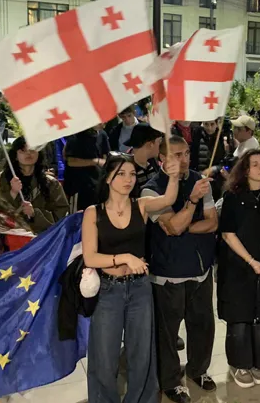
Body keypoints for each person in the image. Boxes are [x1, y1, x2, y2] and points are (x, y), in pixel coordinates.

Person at [81, 152, 180, 403]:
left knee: (142, 354)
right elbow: (90, 257)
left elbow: (169, 198)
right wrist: (125, 257)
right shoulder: (93, 212)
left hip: (139, 289)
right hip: (108, 290)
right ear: (108, 178)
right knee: (104, 358)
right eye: (121, 174)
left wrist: (173, 176)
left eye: (133, 174)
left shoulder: (141, 205)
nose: (129, 179)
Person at [141, 136, 218, 403]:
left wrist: (182, 225)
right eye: (176, 155)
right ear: (162, 159)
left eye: (186, 153)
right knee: (168, 333)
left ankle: (198, 369)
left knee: (203, 325)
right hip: (167, 272)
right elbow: (172, 227)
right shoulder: (151, 190)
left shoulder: (199, 180)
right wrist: (192, 202)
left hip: (201, 268)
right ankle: (171, 382)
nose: (183, 159)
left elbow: (212, 223)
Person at [218, 150, 260, 388]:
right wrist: (250, 261)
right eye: (255, 164)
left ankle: (257, 361)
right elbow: (228, 234)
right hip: (238, 266)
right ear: (245, 170)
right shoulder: (232, 196)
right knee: (239, 316)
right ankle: (239, 364)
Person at [0, 137, 70, 234]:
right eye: (23, 150)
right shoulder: (6, 178)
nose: (28, 153)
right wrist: (13, 193)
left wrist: (35, 214)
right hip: (14, 235)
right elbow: (0, 209)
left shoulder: (51, 183)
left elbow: (61, 214)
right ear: (15, 155)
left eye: (32, 150)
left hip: (42, 237)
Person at [64, 126, 109, 212]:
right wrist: (95, 161)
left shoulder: (102, 134)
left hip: (97, 185)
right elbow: (71, 161)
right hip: (78, 187)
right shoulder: (76, 135)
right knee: (78, 216)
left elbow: (105, 156)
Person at [125, 124, 163, 197]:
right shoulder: (126, 168)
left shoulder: (153, 163)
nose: (161, 146)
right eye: (159, 142)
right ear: (150, 144)